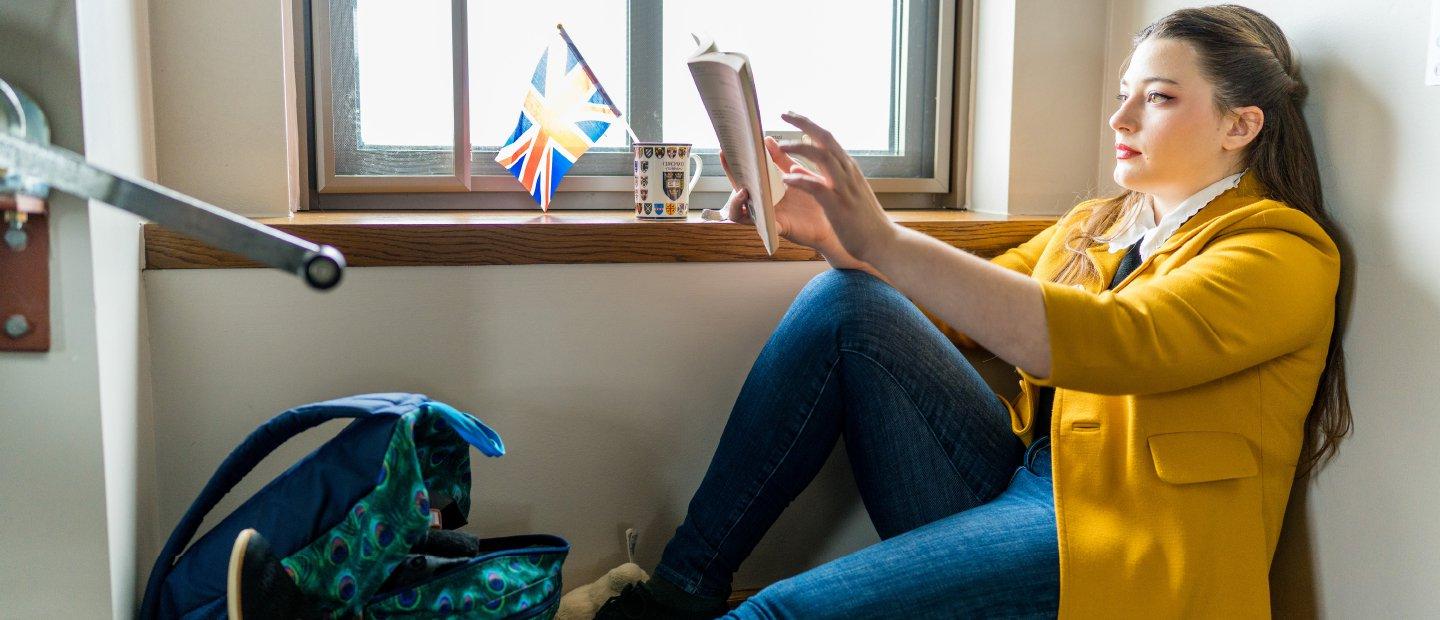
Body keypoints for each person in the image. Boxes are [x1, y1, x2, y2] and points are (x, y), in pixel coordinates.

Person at [594, 4, 1351, 618]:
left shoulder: (1282, 252)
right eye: (1124, 92)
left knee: (777, 613)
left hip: (1120, 537)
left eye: (1156, 98)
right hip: (1025, 484)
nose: (1119, 118)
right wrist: (829, 231)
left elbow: (1120, 342)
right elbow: (955, 308)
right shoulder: (1101, 222)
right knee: (847, 300)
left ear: (1239, 125)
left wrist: (886, 238)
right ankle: (678, 592)